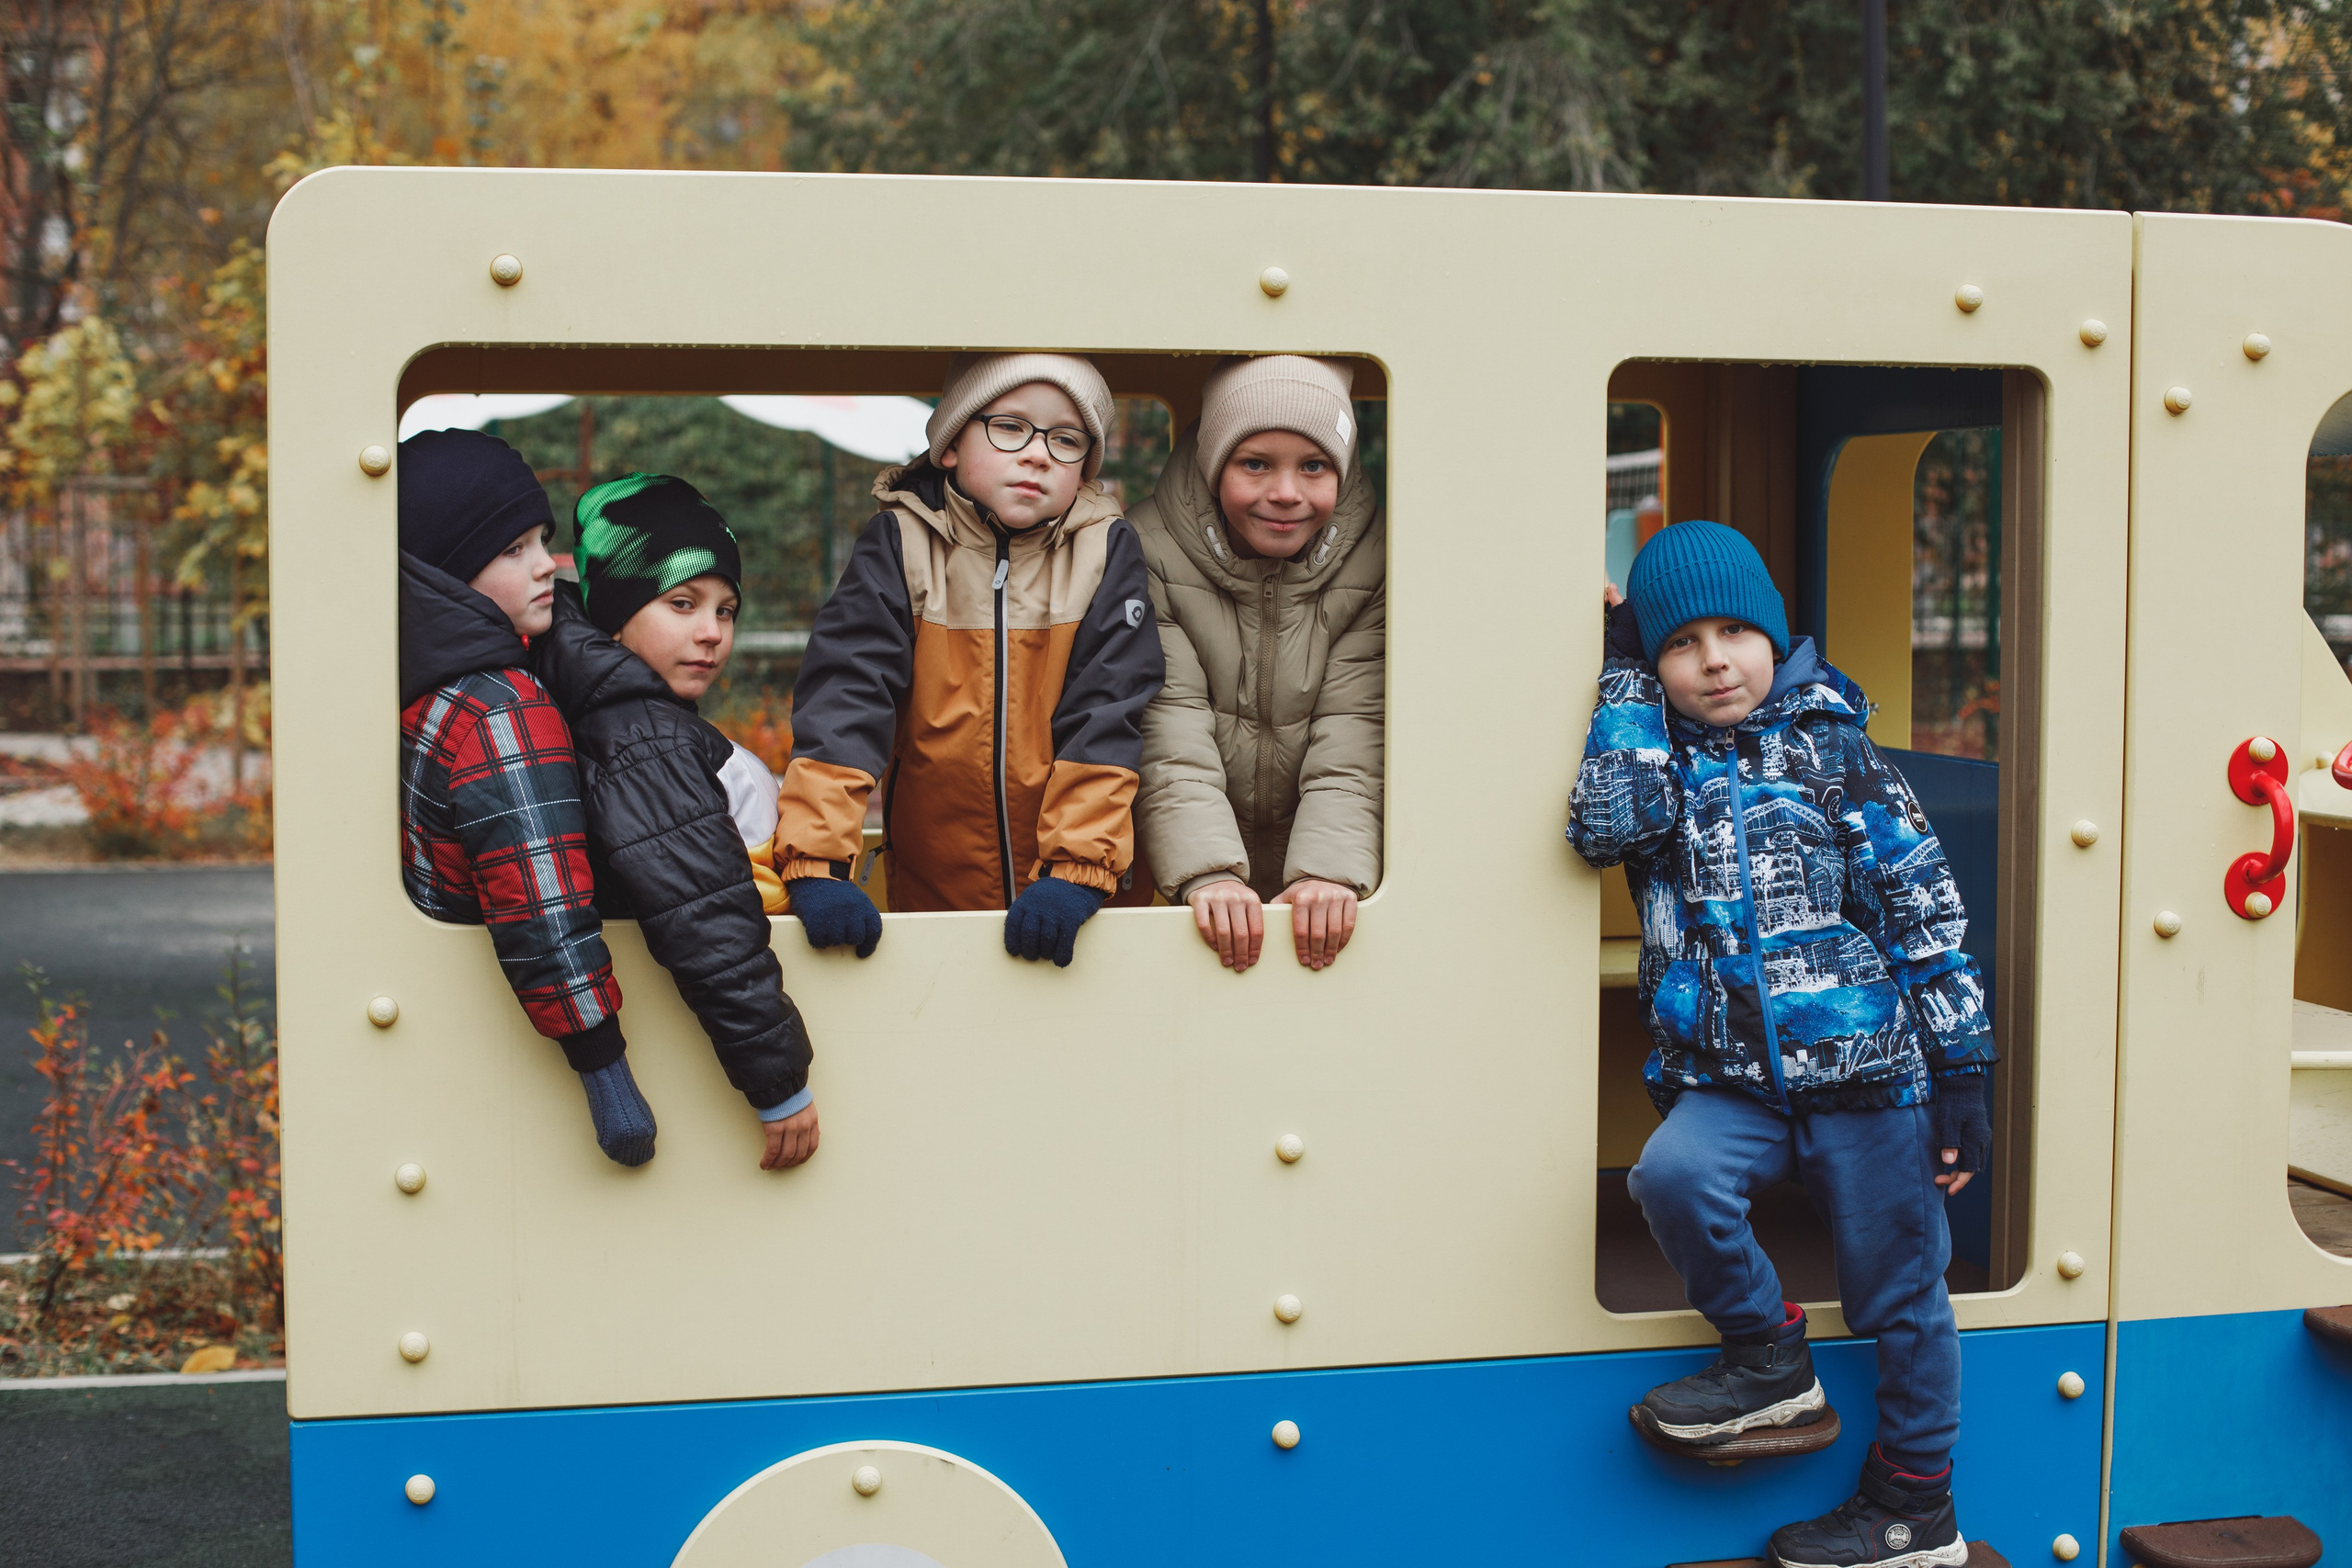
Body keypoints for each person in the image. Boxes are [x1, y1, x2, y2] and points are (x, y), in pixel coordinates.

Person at [1566, 520, 1996, 1568]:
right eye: (1680, 644)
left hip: (1870, 1076)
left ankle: (1914, 1507)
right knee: (1672, 1177)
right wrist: (1624, 683)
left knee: (1904, 1293)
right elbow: (1604, 827)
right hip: (1733, 1078)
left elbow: (1923, 912)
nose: (1715, 661)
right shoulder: (1658, 760)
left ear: (1775, 637)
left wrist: (1960, 1070)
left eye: (1735, 633)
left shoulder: (1835, 746)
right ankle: (1768, 1353)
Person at [772, 353, 1165, 967]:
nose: (1037, 454)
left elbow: (1107, 715)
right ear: (951, 444)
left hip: (1083, 901)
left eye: (1066, 440)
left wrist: (1078, 870)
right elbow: (847, 699)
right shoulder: (901, 544)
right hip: (937, 892)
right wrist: (818, 861)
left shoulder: (1103, 552)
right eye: (1010, 428)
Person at [531, 473, 819, 1171]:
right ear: (615, 614)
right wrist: (779, 1082)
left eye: (727, 610)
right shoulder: (642, 736)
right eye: (681, 603)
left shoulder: (627, 711)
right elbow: (705, 921)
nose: (711, 632)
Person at [394, 429, 650, 1167]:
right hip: (518, 1052)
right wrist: (606, 1071)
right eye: (512, 550)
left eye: (542, 540)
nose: (546, 564)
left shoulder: (433, 687)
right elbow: (541, 901)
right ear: (447, 568)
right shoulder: (503, 709)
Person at [1130, 355, 1384, 974]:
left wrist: (1328, 868)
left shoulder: (1375, 556)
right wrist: (1208, 870)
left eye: (1314, 466)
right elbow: (1171, 726)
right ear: (1214, 465)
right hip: (1189, 875)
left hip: (1326, 872)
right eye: (1255, 463)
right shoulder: (1148, 550)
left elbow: (1355, 725)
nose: (1286, 492)